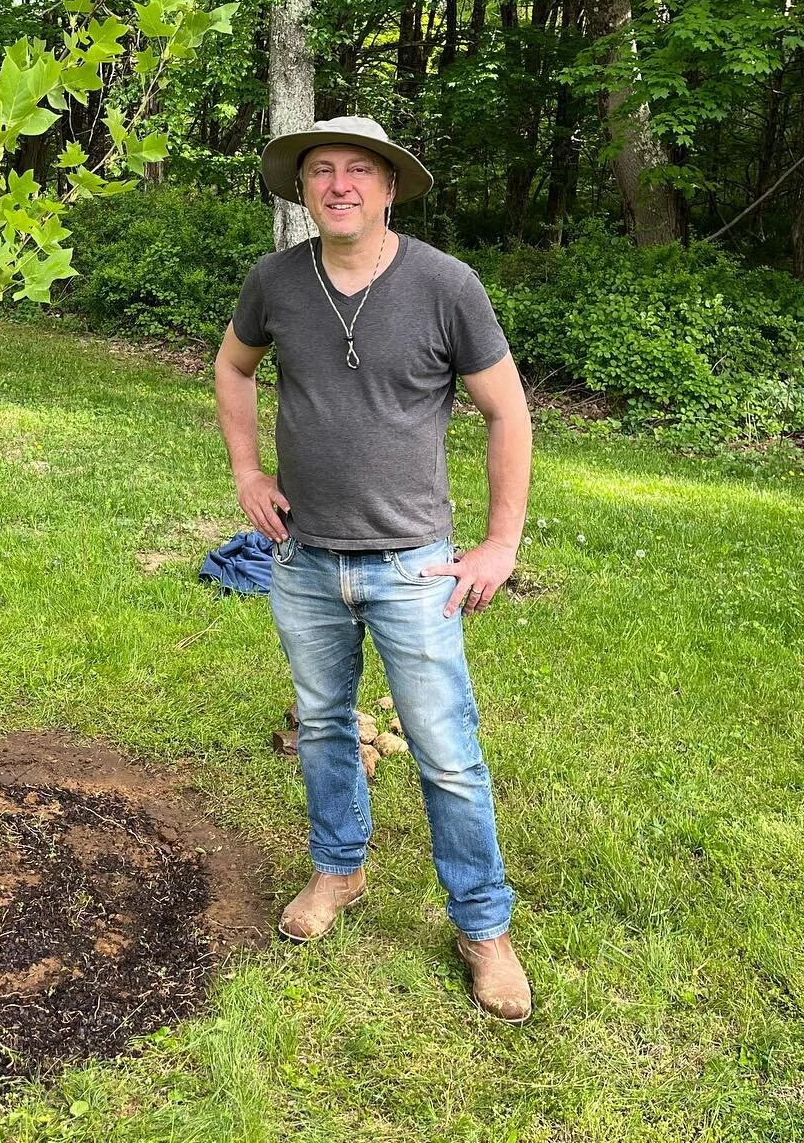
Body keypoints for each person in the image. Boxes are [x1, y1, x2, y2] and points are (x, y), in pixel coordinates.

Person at [214, 116, 533, 1023]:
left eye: (360, 170)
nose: (340, 184)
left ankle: (482, 927)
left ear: (390, 188)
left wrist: (500, 543)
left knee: (449, 757)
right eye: (323, 171)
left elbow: (508, 413)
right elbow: (233, 371)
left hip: (415, 569)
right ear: (302, 189)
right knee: (323, 726)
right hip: (303, 560)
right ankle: (338, 871)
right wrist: (246, 470)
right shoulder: (274, 281)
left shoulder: (446, 286)